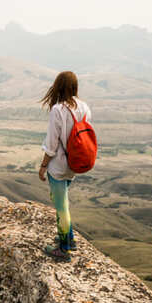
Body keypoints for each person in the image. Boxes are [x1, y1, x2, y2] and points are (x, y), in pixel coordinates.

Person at [38, 71, 91, 260]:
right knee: (63, 200)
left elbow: (52, 143)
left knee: (61, 207)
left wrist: (44, 165)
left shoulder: (58, 110)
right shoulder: (84, 107)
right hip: (74, 164)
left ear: (58, 86)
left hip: (58, 165)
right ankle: (69, 238)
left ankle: (64, 248)